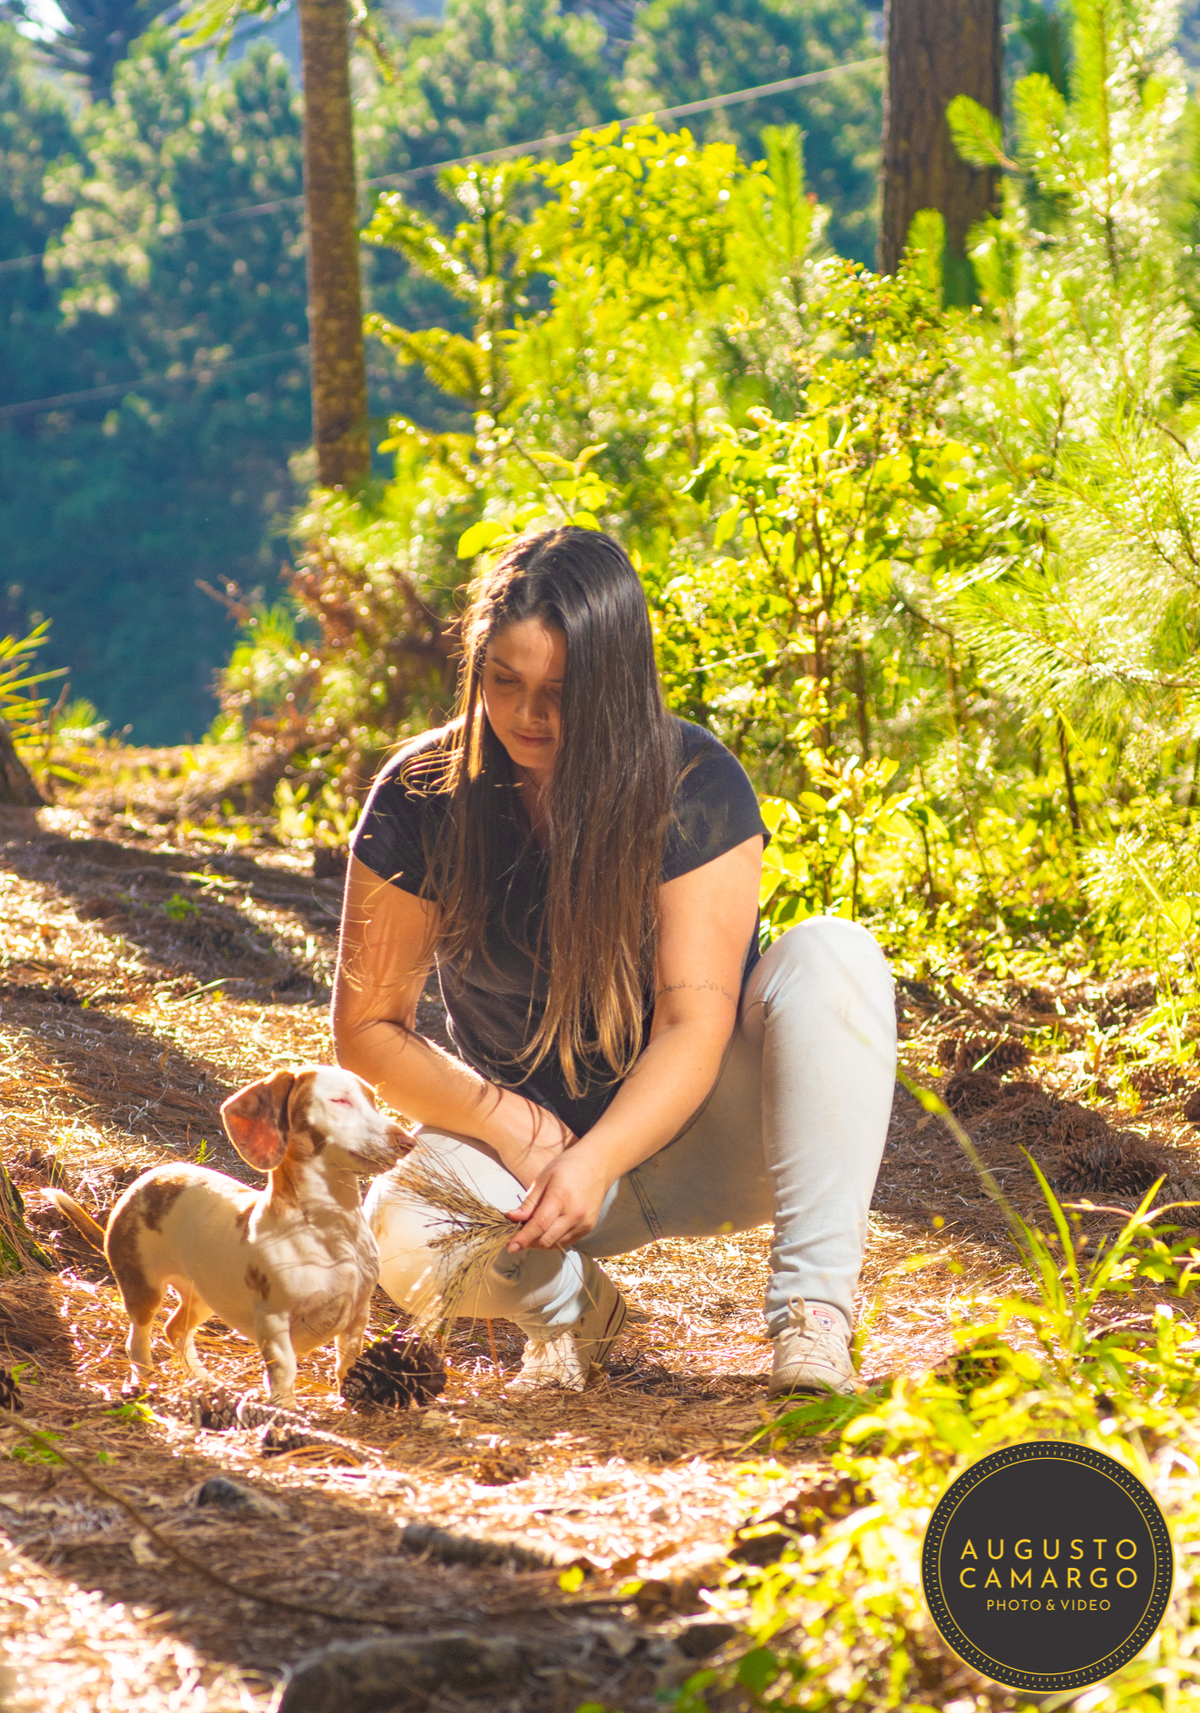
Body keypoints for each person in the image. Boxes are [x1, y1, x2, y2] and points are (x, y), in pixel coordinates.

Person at [332, 526, 896, 1395]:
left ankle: (811, 1325)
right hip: (528, 1172)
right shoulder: (420, 793)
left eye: (560, 692)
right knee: (397, 1232)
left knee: (835, 955)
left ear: (616, 681)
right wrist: (504, 1122)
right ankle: (573, 1308)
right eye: (504, 683)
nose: (528, 717)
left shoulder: (693, 781)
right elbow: (367, 1030)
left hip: (705, 1133)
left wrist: (597, 1162)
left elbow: (693, 1021)